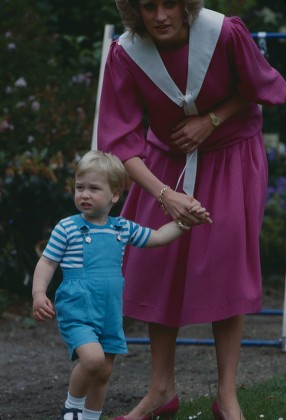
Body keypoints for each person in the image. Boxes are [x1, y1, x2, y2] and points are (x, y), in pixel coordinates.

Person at [97, 1, 286, 419]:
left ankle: (227, 396)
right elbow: (119, 141)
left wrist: (212, 119)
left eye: (170, 4)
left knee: (226, 266)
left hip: (233, 154)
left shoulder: (225, 33)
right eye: (149, 6)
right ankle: (161, 390)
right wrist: (165, 194)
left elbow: (263, 87)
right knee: (156, 262)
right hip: (165, 161)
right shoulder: (126, 54)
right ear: (134, 10)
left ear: (187, 6)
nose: (161, 15)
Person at [32, 150, 210, 420]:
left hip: (110, 311)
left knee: (103, 372)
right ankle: (71, 407)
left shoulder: (121, 228)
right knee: (92, 359)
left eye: (94, 188)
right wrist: (38, 293)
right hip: (78, 308)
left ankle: (90, 417)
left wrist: (185, 221)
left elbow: (159, 237)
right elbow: (46, 263)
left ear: (115, 194)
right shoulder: (66, 228)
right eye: (80, 187)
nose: (85, 194)